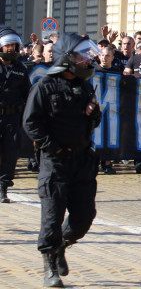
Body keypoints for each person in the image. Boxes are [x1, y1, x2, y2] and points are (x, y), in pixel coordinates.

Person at [23, 33, 102, 287]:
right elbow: (31, 124)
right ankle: (49, 266)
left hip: (82, 161)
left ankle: (61, 246)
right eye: (81, 56)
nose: (86, 61)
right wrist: (53, 148)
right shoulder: (44, 86)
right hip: (55, 162)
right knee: (52, 217)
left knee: (84, 216)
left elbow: (93, 121)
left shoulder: (84, 85)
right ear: (67, 59)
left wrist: (93, 113)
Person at [0, 27, 32, 202]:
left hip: (12, 117)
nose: (11, 48)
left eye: (13, 45)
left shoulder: (20, 68)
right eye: (7, 45)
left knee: (11, 151)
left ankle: (3, 187)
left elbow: (27, 93)